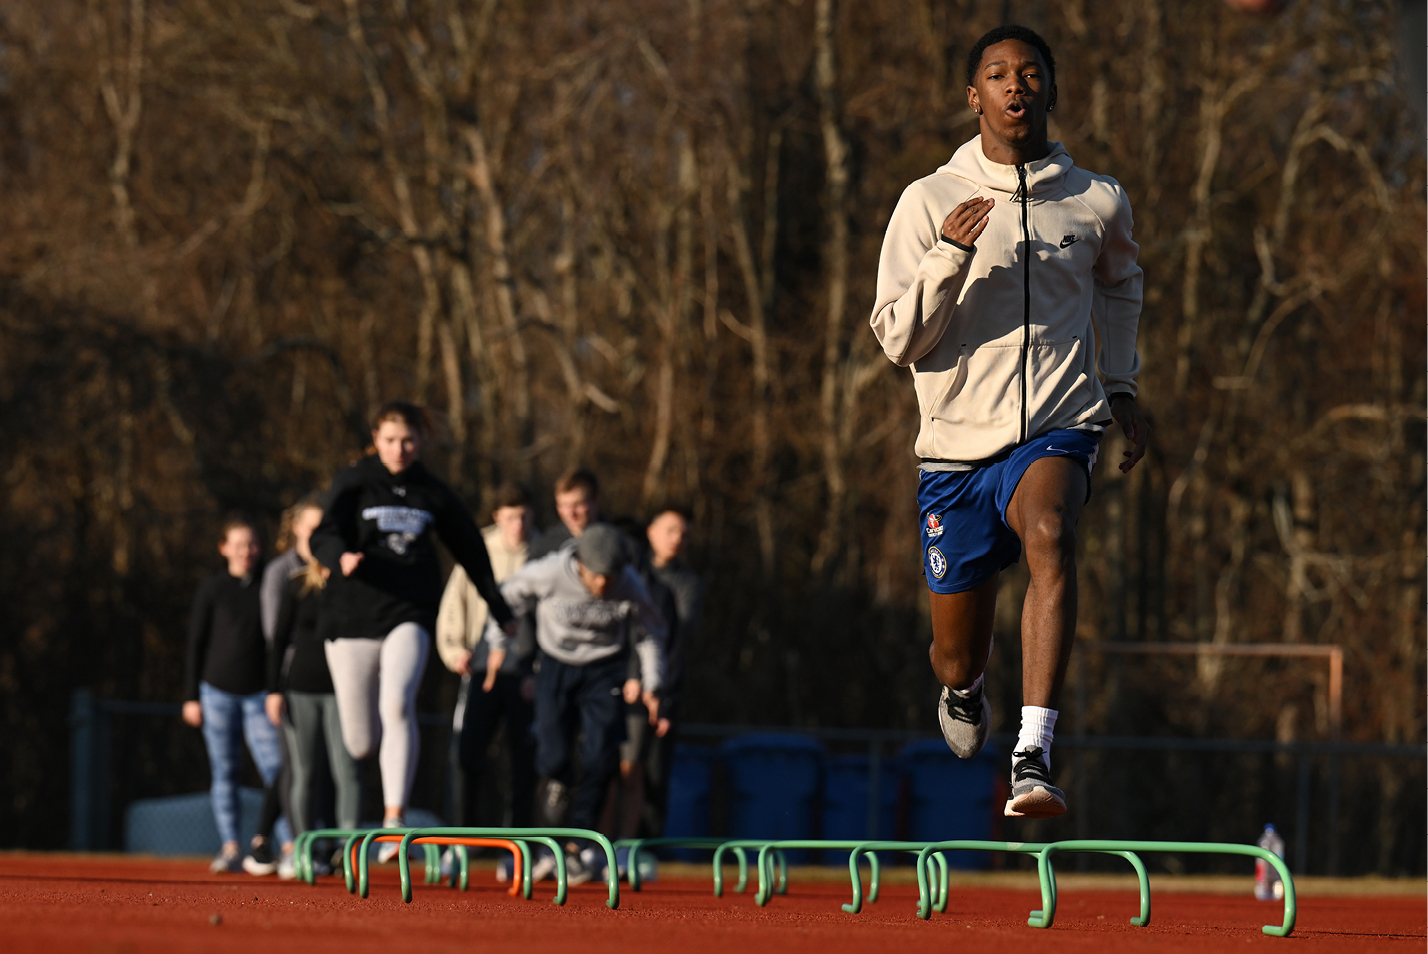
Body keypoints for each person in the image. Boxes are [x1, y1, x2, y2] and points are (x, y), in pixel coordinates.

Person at [869, 25, 1150, 819]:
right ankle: (966, 689)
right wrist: (948, 260)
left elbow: (1123, 284)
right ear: (974, 96)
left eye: (1030, 73)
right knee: (955, 649)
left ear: (1051, 90)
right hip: (956, 453)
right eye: (997, 74)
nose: (1015, 86)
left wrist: (1121, 385)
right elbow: (896, 338)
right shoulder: (926, 201)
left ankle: (1034, 752)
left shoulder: (1096, 199)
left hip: (1058, 426)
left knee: (1052, 533)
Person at [310, 400, 515, 861]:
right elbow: (321, 534)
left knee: (398, 704)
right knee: (360, 742)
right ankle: (383, 770)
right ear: (375, 439)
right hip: (352, 616)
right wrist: (339, 556)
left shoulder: (433, 492)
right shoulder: (355, 481)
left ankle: (394, 819)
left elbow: (471, 552)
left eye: (408, 441)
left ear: (421, 442)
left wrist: (500, 610)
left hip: (409, 611)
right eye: (389, 441)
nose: (399, 450)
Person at [483, 524, 667, 882]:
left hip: (603, 670)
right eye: (597, 577)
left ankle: (578, 846)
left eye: (611, 579)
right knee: (554, 760)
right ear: (580, 564)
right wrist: (497, 645)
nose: (603, 586)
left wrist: (652, 684)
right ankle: (549, 843)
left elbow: (651, 632)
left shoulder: (630, 583)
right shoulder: (549, 572)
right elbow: (505, 598)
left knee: (601, 756)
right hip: (556, 666)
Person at [182, 516, 292, 873]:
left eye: (253, 544)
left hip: (260, 696)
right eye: (240, 544)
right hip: (216, 695)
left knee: (277, 769)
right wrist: (191, 697)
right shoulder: (212, 588)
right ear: (224, 547)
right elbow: (196, 644)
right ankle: (230, 847)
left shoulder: (269, 584)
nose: (247, 551)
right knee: (224, 771)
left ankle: (289, 845)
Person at [435, 483, 537, 835]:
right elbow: (454, 604)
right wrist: (453, 649)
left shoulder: (542, 554)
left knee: (524, 763)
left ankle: (518, 844)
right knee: (466, 756)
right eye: (510, 517)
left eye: (524, 516)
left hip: (525, 676)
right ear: (497, 517)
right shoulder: (479, 549)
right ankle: (462, 839)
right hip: (481, 672)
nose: (518, 525)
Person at [267, 495, 362, 868]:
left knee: (346, 769)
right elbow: (277, 641)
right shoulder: (294, 584)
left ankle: (350, 849)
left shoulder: (351, 582)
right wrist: (273, 690)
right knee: (302, 772)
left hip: (343, 690)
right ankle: (304, 849)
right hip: (300, 689)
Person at [610, 507, 703, 845]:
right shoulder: (625, 576)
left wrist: (664, 694)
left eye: (684, 533)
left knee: (651, 773)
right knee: (612, 771)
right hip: (619, 687)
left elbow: (671, 641)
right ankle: (597, 846)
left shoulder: (685, 585)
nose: (678, 539)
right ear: (650, 532)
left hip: (660, 687)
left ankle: (642, 848)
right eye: (671, 530)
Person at [243, 496, 321, 878]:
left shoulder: (332, 568)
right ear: (297, 529)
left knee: (308, 765)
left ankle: (269, 840)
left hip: (324, 682)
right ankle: (291, 845)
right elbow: (276, 632)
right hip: (289, 681)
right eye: (312, 526)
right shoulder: (280, 573)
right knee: (293, 765)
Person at [526, 468, 601, 560]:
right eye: (565, 505)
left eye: (577, 504)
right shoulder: (543, 548)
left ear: (595, 501)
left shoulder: (616, 542)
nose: (571, 513)